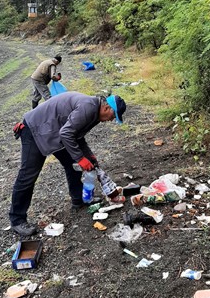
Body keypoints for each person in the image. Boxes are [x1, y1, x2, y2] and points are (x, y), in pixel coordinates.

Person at [9, 92, 126, 236]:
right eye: (113, 116)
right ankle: (17, 219)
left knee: (73, 163)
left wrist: (88, 156)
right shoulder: (89, 108)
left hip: (53, 130)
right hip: (35, 129)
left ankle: (78, 199)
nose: (111, 120)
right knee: (28, 175)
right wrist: (81, 158)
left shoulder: (95, 112)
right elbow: (66, 133)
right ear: (107, 108)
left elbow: (77, 135)